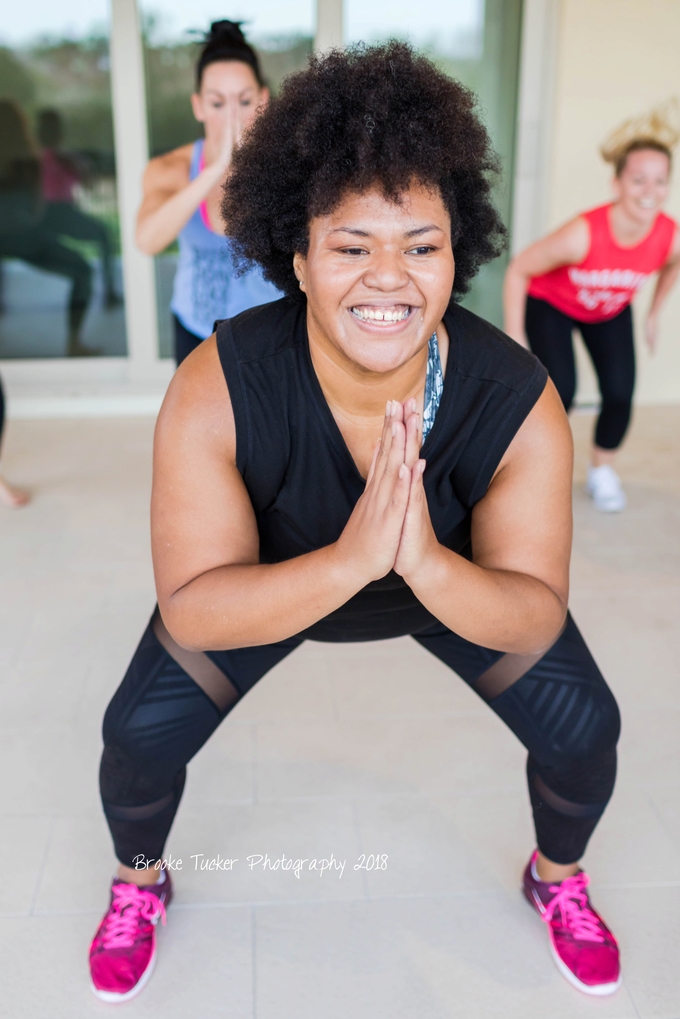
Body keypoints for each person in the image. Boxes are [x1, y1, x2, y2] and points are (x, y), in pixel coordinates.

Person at [89, 44, 622, 1002]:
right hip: (273, 589)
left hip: (445, 591)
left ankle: (557, 880)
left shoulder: (515, 395)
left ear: (458, 252)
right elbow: (200, 611)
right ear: (296, 257)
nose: (390, 278)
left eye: (422, 244)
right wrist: (350, 560)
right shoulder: (218, 384)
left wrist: (418, 559)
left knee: (586, 726)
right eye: (350, 246)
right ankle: (139, 884)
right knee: (135, 733)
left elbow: (535, 615)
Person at [504, 105, 680, 511]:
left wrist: (654, 313)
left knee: (619, 394)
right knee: (558, 393)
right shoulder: (582, 234)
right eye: (638, 180)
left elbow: (672, 265)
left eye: (659, 181)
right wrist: (516, 330)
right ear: (616, 183)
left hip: (609, 311)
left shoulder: (668, 235)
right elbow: (520, 269)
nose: (649, 191)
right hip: (553, 306)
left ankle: (601, 472)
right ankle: (529, 472)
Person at [136, 20, 282, 365]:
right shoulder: (171, 168)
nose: (233, 116)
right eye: (217, 104)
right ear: (198, 106)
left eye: (244, 101)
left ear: (263, 100)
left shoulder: (287, 167)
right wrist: (214, 170)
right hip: (196, 330)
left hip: (271, 332)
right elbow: (147, 241)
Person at [0, 99, 97, 357]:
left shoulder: (31, 161)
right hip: (24, 238)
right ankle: (73, 343)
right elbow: (36, 211)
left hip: (14, 238)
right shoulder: (29, 162)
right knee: (83, 271)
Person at [37, 108, 122, 309]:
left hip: (62, 212)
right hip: (45, 213)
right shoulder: (33, 157)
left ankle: (110, 292)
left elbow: (89, 184)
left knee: (103, 235)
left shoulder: (65, 158)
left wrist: (78, 166)